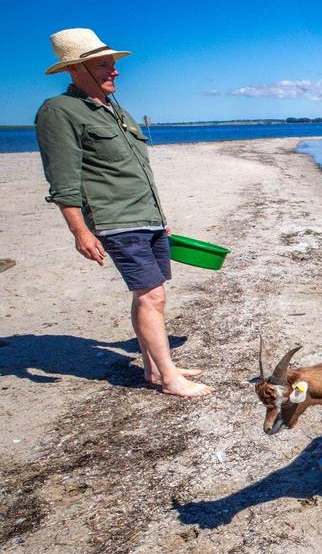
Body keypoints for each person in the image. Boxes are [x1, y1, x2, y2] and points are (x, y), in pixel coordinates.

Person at [36, 28, 211, 397]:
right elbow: (63, 178)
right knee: (152, 297)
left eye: (113, 64)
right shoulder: (59, 112)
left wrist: (160, 217)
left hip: (146, 217)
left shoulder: (114, 108)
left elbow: (136, 169)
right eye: (104, 65)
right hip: (116, 220)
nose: (114, 71)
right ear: (76, 69)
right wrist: (80, 232)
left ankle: (153, 368)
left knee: (148, 294)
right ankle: (169, 379)